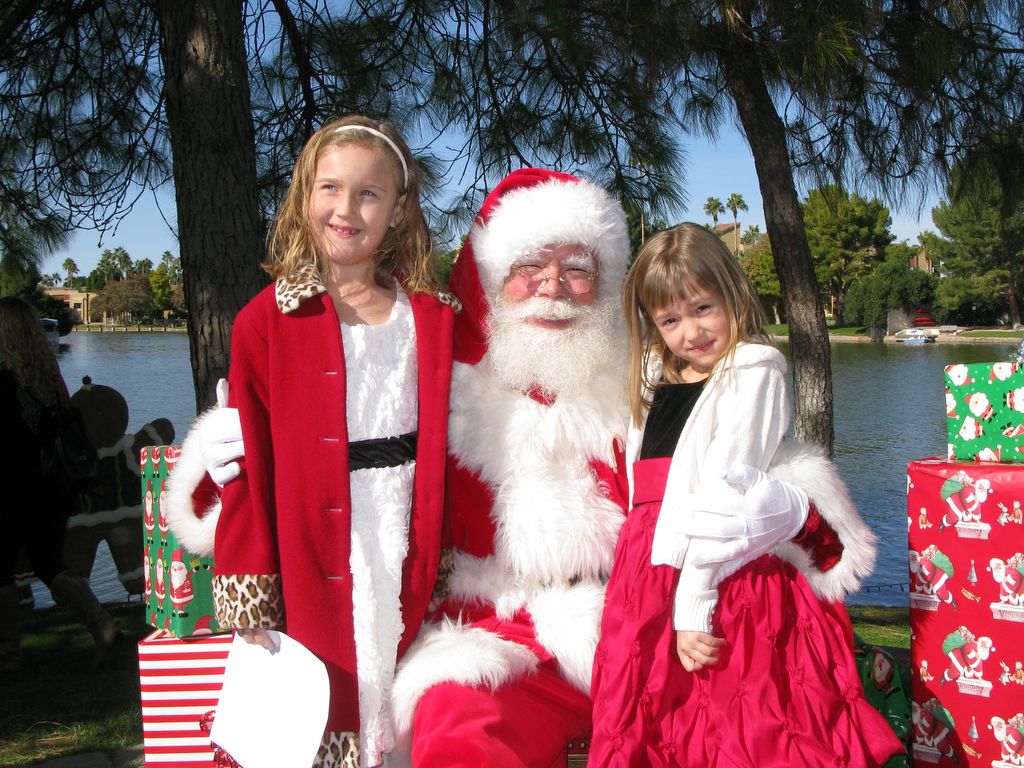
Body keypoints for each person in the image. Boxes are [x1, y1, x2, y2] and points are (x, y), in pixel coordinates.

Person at [172, 168, 877, 766]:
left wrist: (791, 507)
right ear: (489, 277)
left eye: (577, 269)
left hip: (640, 621)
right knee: (459, 733)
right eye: (529, 270)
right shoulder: (434, 382)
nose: (553, 288)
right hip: (487, 632)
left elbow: (765, 471)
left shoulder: (648, 382)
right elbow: (334, 461)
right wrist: (227, 459)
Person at [164, 115, 454, 767]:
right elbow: (248, 471)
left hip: (402, 544)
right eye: (330, 188)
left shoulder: (430, 318)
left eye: (368, 193)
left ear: (399, 210)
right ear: (303, 197)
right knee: (320, 716)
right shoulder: (264, 320)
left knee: (403, 706)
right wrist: (249, 585)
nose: (345, 209)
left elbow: (450, 444)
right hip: (310, 550)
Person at [588, 224, 904, 766]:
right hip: (649, 562)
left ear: (732, 295)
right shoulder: (654, 377)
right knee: (653, 709)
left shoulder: (750, 374)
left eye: (703, 308)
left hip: (725, 573)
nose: (691, 332)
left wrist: (694, 603)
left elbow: (729, 494)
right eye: (670, 319)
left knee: (735, 715)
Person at [0, 295, 122, 671]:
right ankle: (103, 625)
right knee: (50, 563)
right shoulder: (48, 374)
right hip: (53, 487)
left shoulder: (3, 378)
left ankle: (8, 654)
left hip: (11, 485)